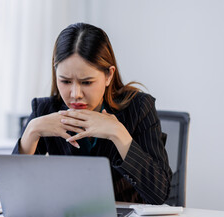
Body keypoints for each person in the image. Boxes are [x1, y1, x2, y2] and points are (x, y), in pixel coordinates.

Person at [12, 23, 172, 204]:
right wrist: (31, 130)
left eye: (87, 82)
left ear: (108, 75)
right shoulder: (44, 111)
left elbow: (159, 194)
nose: (75, 94)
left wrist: (118, 133)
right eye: (65, 81)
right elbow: (13, 194)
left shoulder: (139, 107)